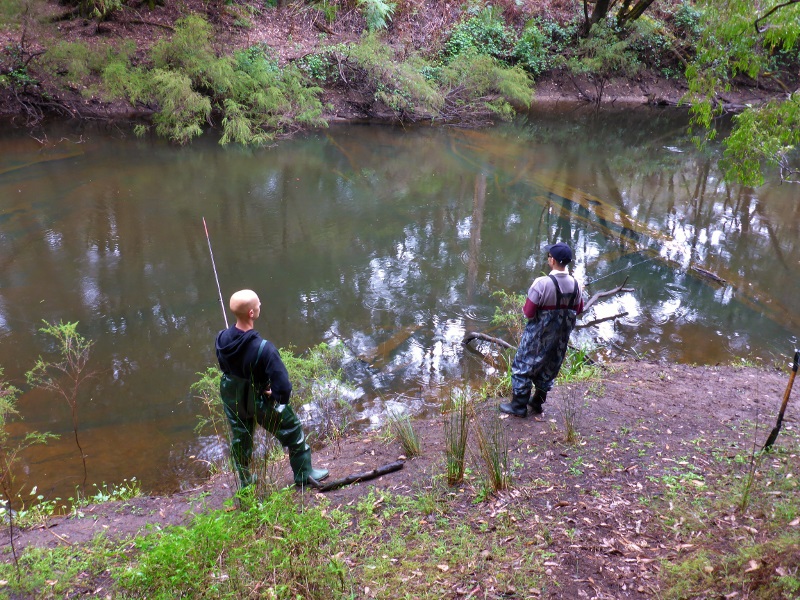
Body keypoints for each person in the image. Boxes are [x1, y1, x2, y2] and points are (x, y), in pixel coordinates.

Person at [215, 289, 329, 489]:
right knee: (292, 430)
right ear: (251, 313)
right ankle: (304, 473)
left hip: (232, 395)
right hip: (258, 398)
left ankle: (244, 481)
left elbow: (225, 367)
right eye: (258, 304)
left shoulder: (221, 338)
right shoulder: (264, 348)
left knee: (241, 436)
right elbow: (283, 386)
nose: (260, 306)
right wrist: (276, 395)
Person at [500, 242, 584, 418]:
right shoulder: (577, 285)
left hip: (537, 338)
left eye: (549, 256)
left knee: (522, 366)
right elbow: (578, 310)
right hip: (559, 341)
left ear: (552, 260)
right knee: (548, 368)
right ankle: (537, 402)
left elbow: (528, 313)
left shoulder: (541, 283)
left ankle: (518, 406)